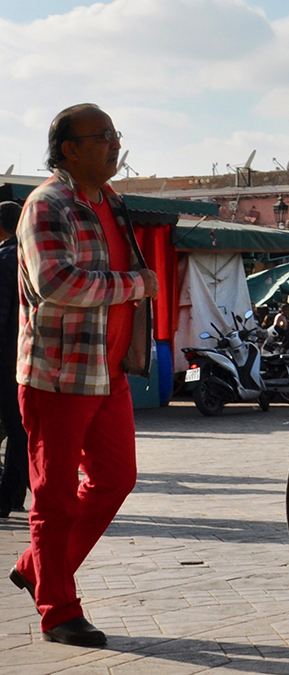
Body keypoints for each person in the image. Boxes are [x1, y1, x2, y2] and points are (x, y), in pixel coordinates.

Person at [8, 104, 159, 647]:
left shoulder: (110, 202)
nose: (114, 144)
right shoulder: (48, 205)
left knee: (116, 479)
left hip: (107, 372)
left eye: (116, 134)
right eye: (102, 137)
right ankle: (58, 610)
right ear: (69, 149)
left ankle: (35, 569)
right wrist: (135, 285)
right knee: (55, 496)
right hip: (58, 375)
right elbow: (57, 283)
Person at [0, 201, 28, 518]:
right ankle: (13, 493)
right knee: (19, 429)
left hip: (6, 357)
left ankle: (6, 497)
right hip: (29, 356)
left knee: (15, 427)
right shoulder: (32, 257)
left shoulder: (6, 258)